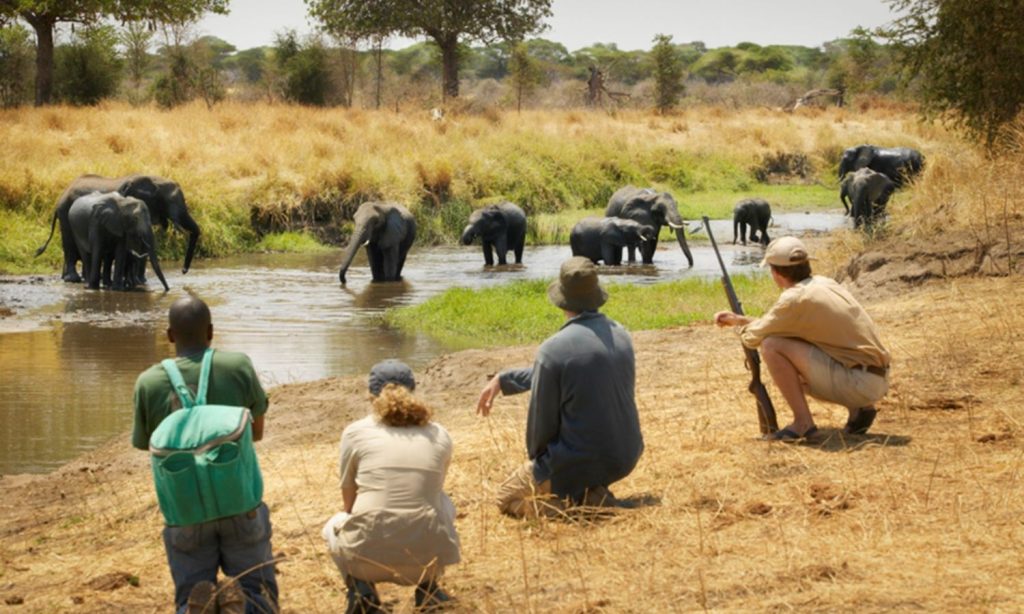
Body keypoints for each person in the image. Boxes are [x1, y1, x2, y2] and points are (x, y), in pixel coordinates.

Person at [132, 296, 277, 614]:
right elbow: (257, 432)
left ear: (169, 335)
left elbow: (148, 444)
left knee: (187, 597)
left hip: (184, 509)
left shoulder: (148, 383)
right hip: (240, 500)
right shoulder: (237, 365)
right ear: (211, 331)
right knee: (258, 592)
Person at [477, 256, 644, 517]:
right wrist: (504, 380)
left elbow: (540, 430)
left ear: (562, 298)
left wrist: (540, 466)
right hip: (625, 455)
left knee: (506, 498)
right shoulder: (620, 333)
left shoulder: (553, 350)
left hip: (580, 460)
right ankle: (591, 491)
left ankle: (578, 507)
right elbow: (572, 372)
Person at [714, 236, 891, 440]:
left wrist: (739, 329)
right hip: (876, 379)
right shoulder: (824, 283)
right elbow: (782, 325)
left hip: (859, 384)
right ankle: (860, 409)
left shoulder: (794, 298)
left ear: (776, 272)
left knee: (772, 346)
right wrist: (740, 320)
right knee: (787, 342)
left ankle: (803, 423)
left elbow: (753, 339)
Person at [322, 360, 460, 613]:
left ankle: (361, 589)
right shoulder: (440, 434)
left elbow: (349, 504)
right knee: (443, 502)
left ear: (371, 394)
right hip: (427, 560)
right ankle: (428, 589)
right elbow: (435, 487)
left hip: (365, 561)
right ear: (413, 390)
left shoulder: (355, 432)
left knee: (332, 525)